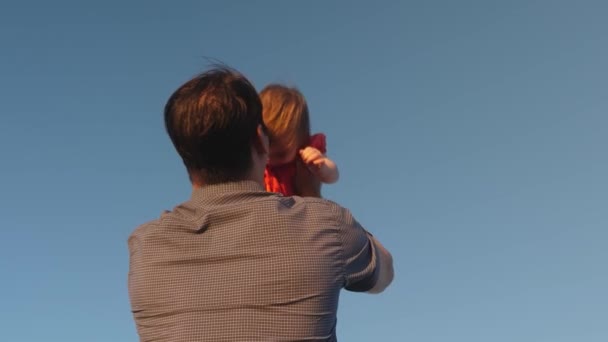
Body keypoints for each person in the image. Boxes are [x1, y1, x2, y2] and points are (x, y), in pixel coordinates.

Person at [127, 66, 394, 341]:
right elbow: (384, 272)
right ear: (259, 139)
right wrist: (311, 195)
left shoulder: (144, 248)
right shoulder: (327, 226)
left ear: (183, 152)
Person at [261, 84, 339, 197]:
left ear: (301, 143)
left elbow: (334, 175)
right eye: (263, 151)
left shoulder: (305, 156)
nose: (270, 160)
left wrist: (321, 166)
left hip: (294, 210)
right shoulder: (256, 164)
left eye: (280, 154)